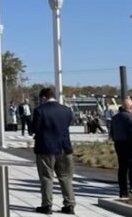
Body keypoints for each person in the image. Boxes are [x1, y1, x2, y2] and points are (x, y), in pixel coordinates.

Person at [31, 87, 75, 215]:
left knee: (46, 177)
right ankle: (69, 204)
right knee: (66, 177)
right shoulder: (66, 110)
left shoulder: (40, 110)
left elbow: (35, 128)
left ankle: (47, 205)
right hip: (64, 148)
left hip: (45, 148)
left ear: (44, 97)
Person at [112, 98, 132, 197]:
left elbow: (112, 132)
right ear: (130, 107)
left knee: (122, 169)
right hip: (131, 145)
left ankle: (123, 191)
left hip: (119, 144)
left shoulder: (115, 118)